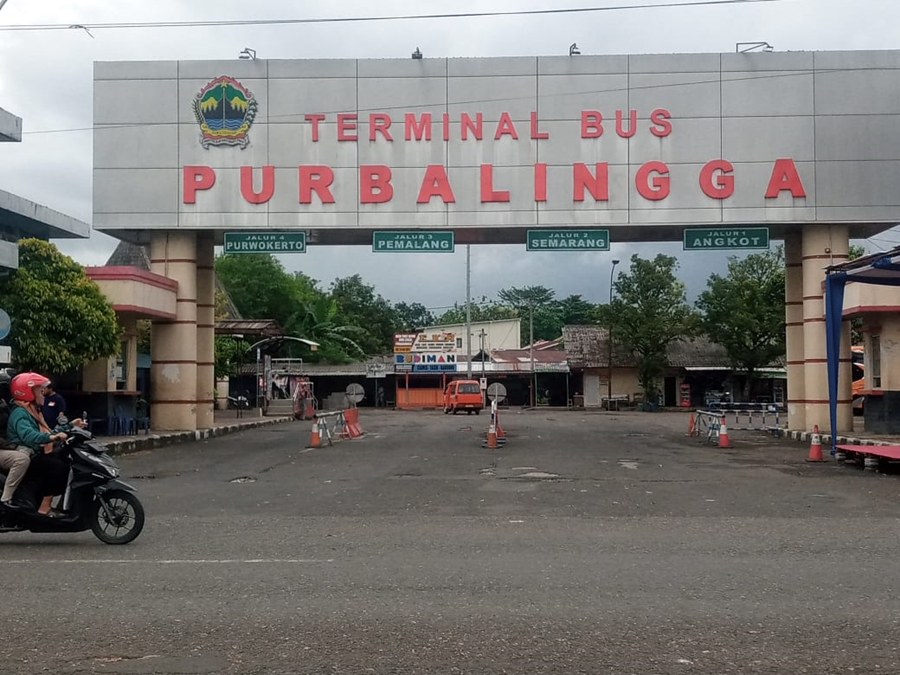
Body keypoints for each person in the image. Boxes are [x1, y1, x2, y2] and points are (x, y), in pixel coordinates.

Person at [2, 372, 83, 513]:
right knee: (57, 468)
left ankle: (53, 504)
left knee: (63, 462)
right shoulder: (20, 413)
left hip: (32, 451)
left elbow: (47, 431)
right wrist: (52, 438)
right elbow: (30, 436)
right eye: (40, 391)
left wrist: (70, 425)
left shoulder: (32, 411)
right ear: (28, 392)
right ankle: (44, 507)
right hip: (24, 451)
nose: (43, 394)